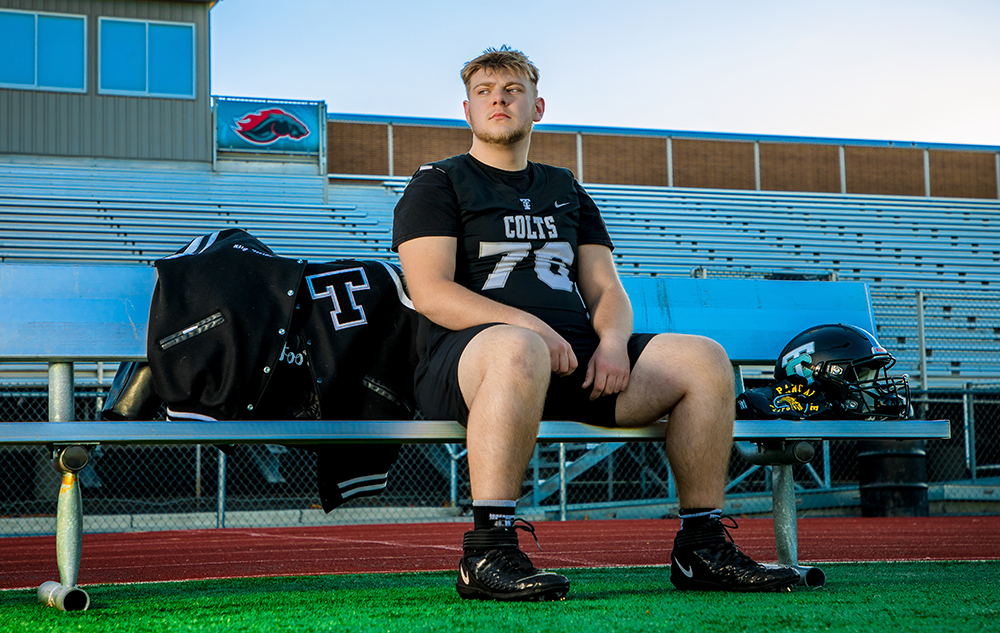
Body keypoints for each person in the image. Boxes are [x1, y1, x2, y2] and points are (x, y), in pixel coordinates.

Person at [391, 46, 800, 601]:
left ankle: (701, 548)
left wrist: (611, 342)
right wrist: (532, 329)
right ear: (467, 111)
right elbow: (431, 291)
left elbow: (606, 287)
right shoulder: (440, 182)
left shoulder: (565, 189)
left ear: (538, 106)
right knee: (517, 347)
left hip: (577, 366)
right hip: (471, 367)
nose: (499, 100)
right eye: (485, 92)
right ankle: (487, 552)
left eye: (512, 91)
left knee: (703, 358)